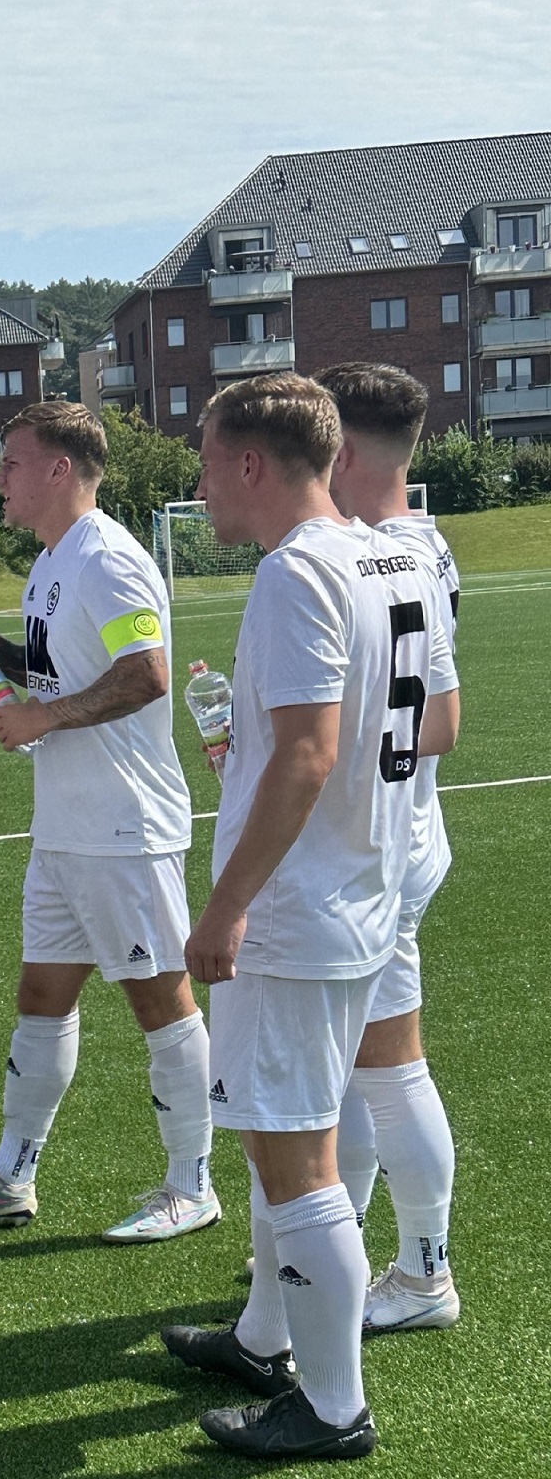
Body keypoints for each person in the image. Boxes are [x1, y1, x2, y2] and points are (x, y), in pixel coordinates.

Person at [162, 374, 457, 1462]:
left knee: (295, 1158)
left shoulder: (296, 571)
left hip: (301, 906)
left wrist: (225, 905)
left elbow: (307, 751)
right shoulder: (395, 548)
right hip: (366, 881)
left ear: (251, 462)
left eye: (204, 460)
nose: (198, 486)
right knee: (296, 1139)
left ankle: (330, 1405)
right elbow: (396, 724)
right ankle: (264, 1334)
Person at [0, 401, 215, 1244]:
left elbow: (146, 674)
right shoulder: (50, 563)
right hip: (64, 829)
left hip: (123, 828)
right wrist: (1, 654)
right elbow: (71, 664)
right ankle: (13, 1175)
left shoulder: (111, 560)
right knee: (41, 996)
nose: (0, 477)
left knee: (160, 1000)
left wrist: (43, 720)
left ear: (60, 470)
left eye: (13, 462)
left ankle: (191, 1186)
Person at [316, 365, 463, 1335]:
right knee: (363, 1065)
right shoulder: (420, 545)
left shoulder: (370, 558)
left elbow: (427, 723)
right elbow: (441, 723)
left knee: (387, 1062)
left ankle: (421, 1272)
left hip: (381, 842)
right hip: (405, 826)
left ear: (344, 449)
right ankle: (351, 1237)